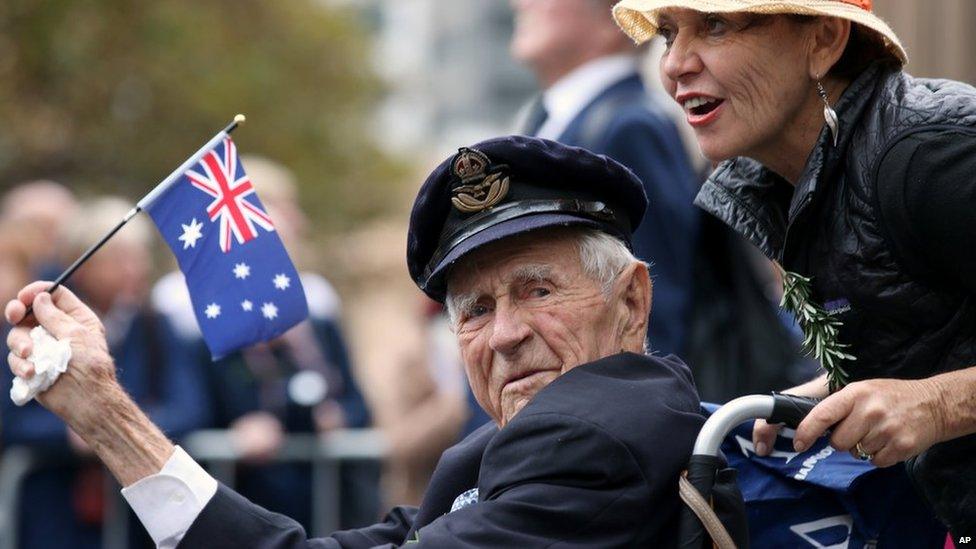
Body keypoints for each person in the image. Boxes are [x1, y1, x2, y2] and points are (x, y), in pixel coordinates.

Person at [5, 136, 705, 547]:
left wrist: (111, 420)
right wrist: (105, 417)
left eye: (539, 290)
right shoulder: (519, 446)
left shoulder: (594, 438)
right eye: (476, 309)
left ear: (632, 301)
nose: (506, 334)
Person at [612, 0, 976, 537]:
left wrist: (937, 405)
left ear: (823, 41)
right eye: (668, 35)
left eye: (715, 25)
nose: (674, 64)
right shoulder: (791, 175)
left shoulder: (929, 157)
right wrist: (841, 384)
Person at [1, 196, 211, 549]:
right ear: (82, 264)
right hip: (55, 511)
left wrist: (112, 426)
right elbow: (11, 416)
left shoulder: (155, 327)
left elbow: (190, 408)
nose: (134, 269)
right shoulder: (34, 324)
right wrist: (69, 435)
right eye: (118, 259)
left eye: (140, 257)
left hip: (138, 519)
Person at [511, 0, 700, 357]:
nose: (521, 3)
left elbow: (653, 312)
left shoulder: (629, 127)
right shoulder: (559, 120)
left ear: (613, 18)